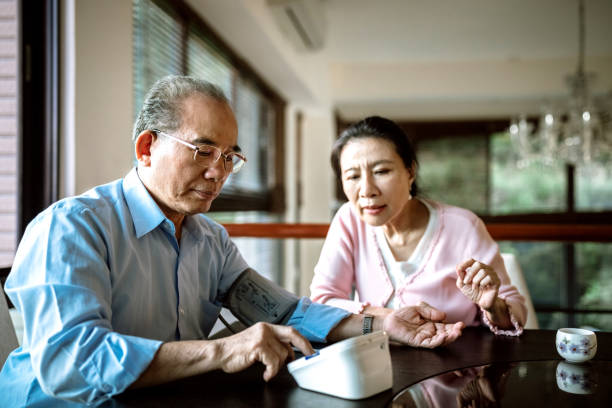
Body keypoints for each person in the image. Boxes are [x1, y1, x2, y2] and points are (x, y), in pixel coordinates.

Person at [0, 77, 464, 407]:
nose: (217, 173)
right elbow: (70, 364)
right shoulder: (71, 228)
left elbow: (283, 313)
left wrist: (383, 325)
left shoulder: (209, 239)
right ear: (146, 148)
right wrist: (223, 349)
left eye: (229, 157)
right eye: (203, 151)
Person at [310, 116, 527, 336]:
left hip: (458, 362)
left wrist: (493, 306)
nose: (367, 190)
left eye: (381, 171)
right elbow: (323, 301)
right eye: (353, 176)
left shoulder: (463, 227)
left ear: (410, 172)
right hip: (378, 359)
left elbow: (515, 313)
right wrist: (387, 319)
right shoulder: (349, 219)